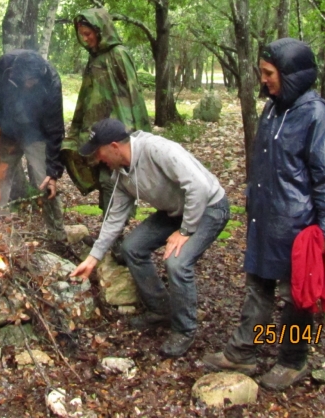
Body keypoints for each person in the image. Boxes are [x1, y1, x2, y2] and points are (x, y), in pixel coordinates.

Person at [202, 38, 325, 390]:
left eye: (269, 73)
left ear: (290, 74)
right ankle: (242, 352)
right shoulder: (272, 108)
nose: (264, 80)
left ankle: (292, 360)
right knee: (257, 285)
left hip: (298, 226)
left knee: (296, 295)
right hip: (265, 218)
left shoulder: (314, 113)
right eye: (262, 72)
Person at [71, 118, 230, 358]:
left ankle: (184, 330)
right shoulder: (121, 176)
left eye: (100, 152)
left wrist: (185, 231)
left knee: (177, 262)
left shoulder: (157, 149)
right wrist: (93, 259)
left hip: (209, 207)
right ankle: (160, 309)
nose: (98, 159)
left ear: (114, 146)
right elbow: (114, 219)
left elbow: (198, 186)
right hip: (175, 211)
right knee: (131, 247)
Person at [61, 8, 151, 212]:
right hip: (98, 133)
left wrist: (141, 135)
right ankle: (108, 231)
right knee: (103, 180)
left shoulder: (119, 54)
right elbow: (86, 97)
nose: (84, 39)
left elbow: (133, 95)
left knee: (113, 181)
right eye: (81, 35)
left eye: (88, 34)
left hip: (119, 133)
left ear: (100, 30)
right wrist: (76, 131)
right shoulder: (94, 59)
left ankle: (114, 234)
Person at [0, 49, 67, 242]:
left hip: (37, 134)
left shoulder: (51, 81)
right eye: (24, 80)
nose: (28, 84)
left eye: (32, 80)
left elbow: (56, 128)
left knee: (45, 181)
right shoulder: (5, 66)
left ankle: (57, 234)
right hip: (7, 132)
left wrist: (54, 171)